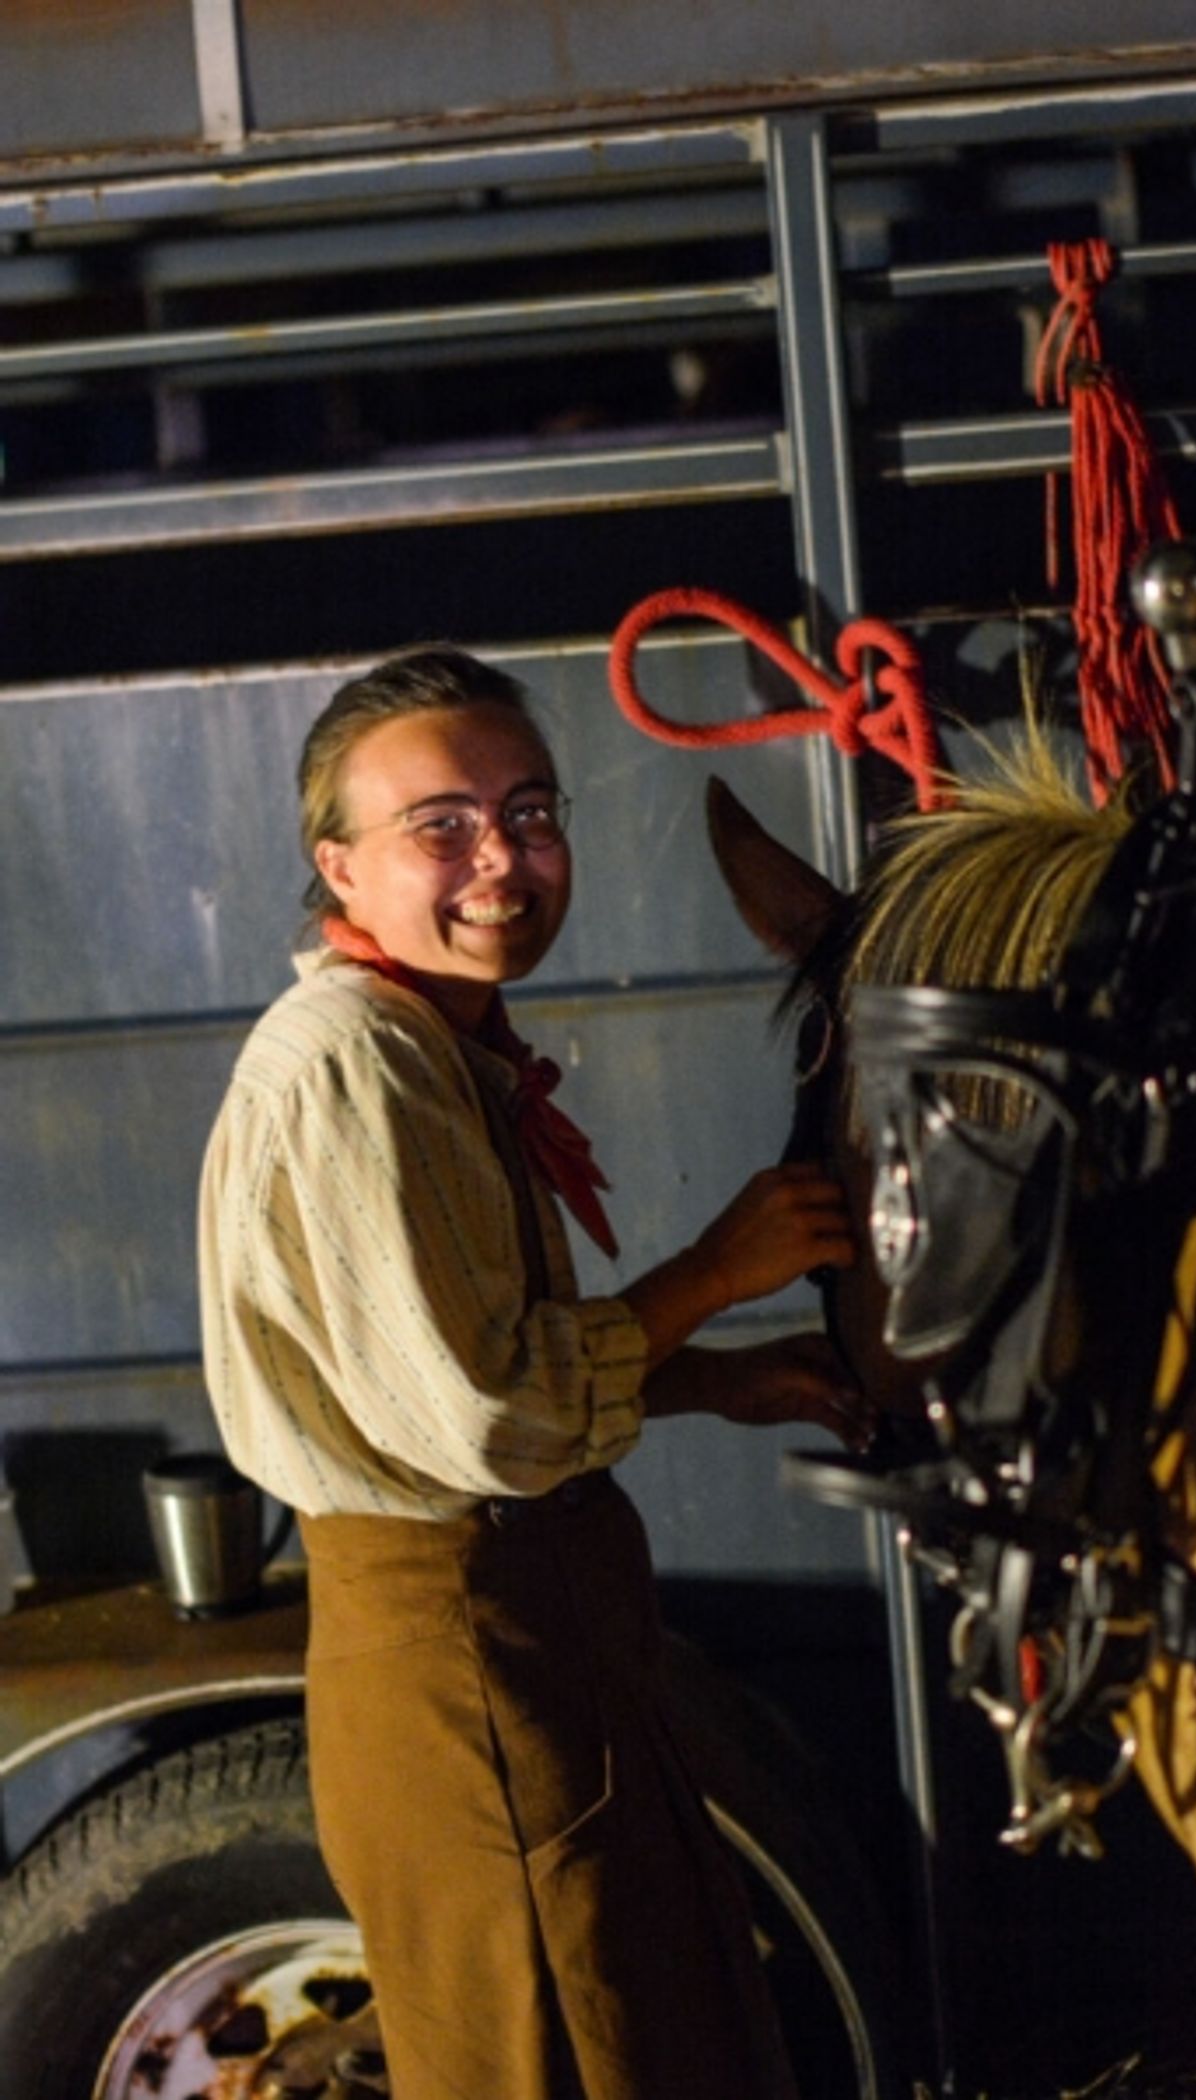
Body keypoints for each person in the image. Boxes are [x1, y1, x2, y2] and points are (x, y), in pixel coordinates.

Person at [198, 644, 872, 2100]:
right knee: (558, 2058)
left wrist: (713, 1377)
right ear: (340, 867)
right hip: (467, 1665)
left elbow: (458, 1374)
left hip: (543, 1647)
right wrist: (713, 1270)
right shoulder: (350, 1063)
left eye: (532, 813)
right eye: (439, 825)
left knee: (645, 2040)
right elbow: (490, 1420)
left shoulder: (437, 1046)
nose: (500, 858)